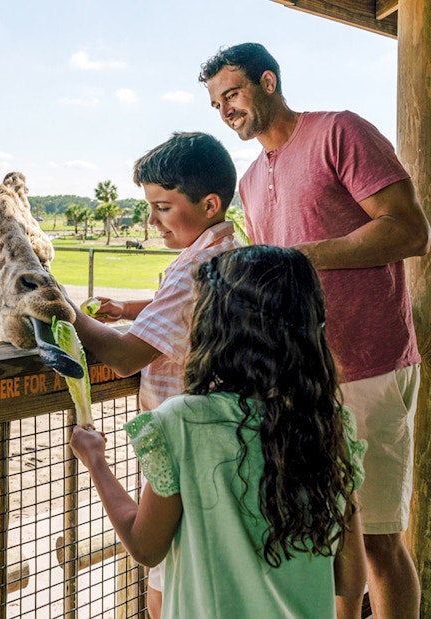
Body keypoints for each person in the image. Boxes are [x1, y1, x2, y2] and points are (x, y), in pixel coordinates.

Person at [199, 42, 431, 619]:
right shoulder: (250, 182)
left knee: (378, 539)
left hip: (370, 367)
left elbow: (409, 232)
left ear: (269, 82)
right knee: (325, 539)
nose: (225, 109)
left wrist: (299, 255)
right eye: (215, 102)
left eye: (232, 92)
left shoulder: (340, 132)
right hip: (300, 380)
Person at [70, 244, 368, 619]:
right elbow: (351, 577)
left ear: (215, 326)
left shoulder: (182, 422)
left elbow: (146, 547)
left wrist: (95, 460)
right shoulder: (329, 422)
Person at [68, 130, 240, 618]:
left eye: (163, 207)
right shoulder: (232, 253)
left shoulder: (193, 270)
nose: (152, 220)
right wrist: (128, 306)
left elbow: (124, 358)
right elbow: (181, 308)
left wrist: (65, 309)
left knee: (163, 591)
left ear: (209, 204)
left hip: (182, 445)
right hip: (220, 444)